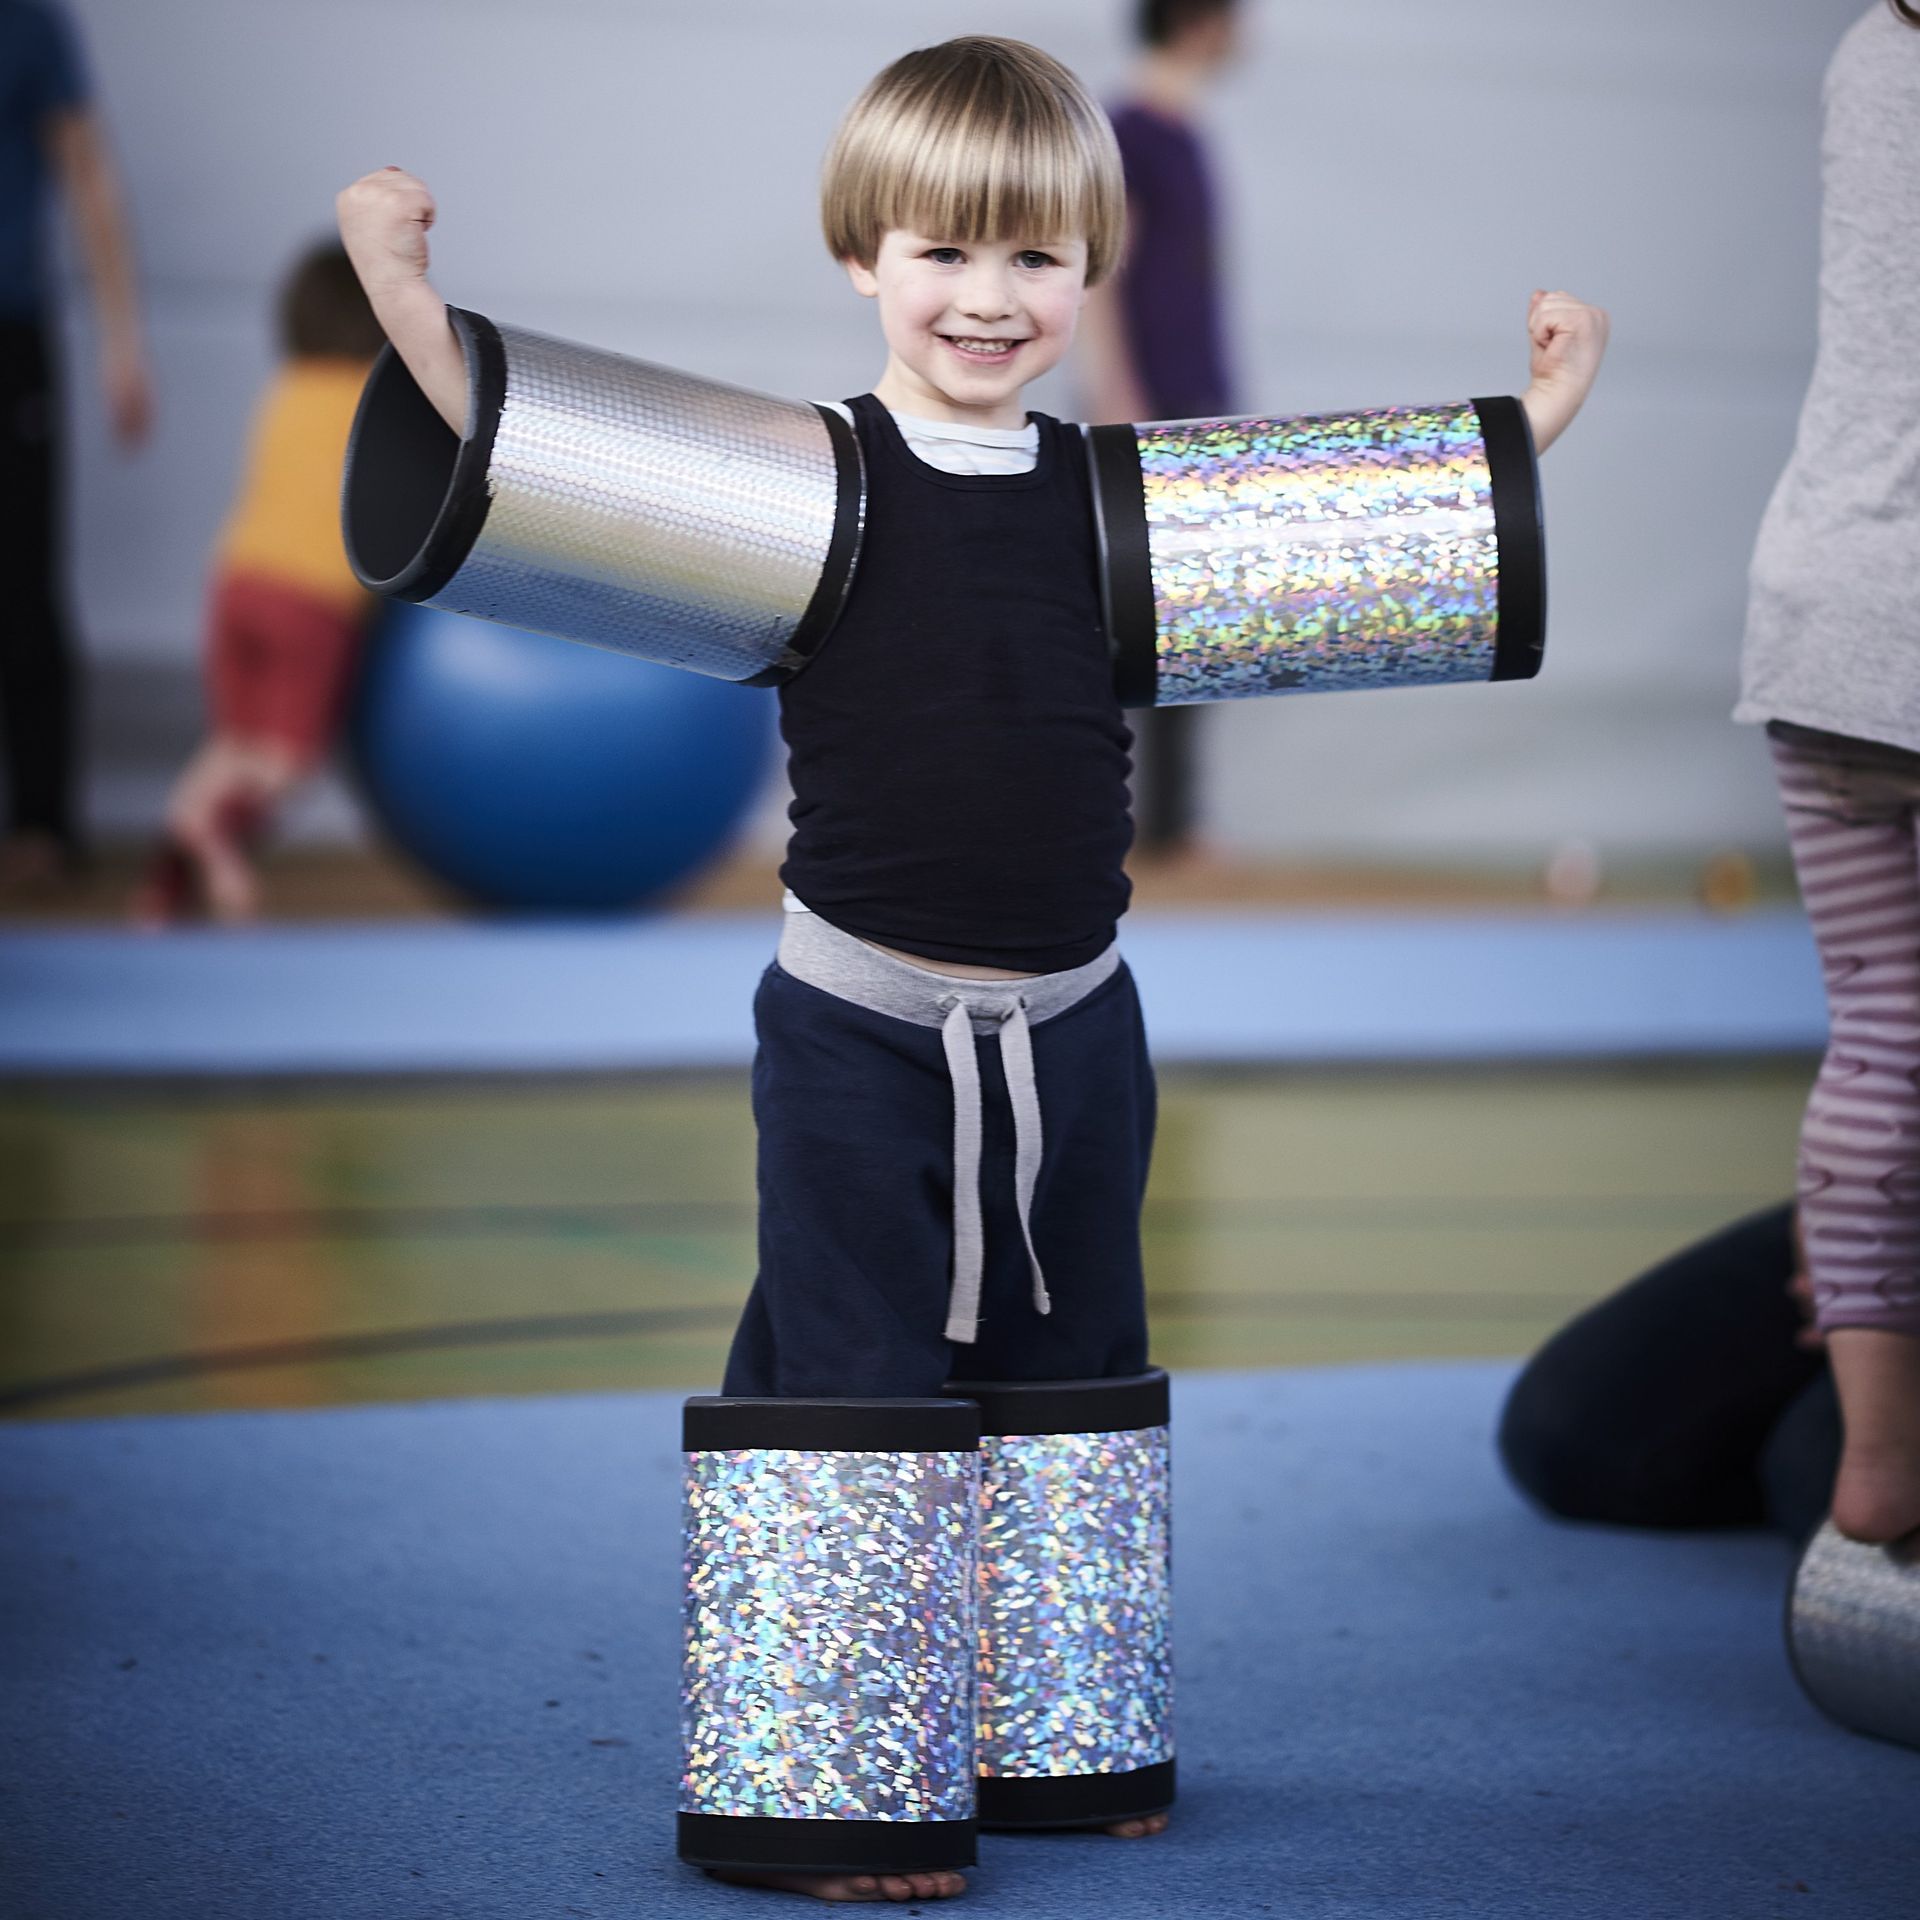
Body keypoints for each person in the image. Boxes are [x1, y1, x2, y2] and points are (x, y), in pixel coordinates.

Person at [337, 36, 1608, 1903]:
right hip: (857, 1020)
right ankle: (832, 1788)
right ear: (864, 254)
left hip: (1080, 1026)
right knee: (851, 1362)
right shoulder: (791, 485)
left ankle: (1062, 1746)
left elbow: (1394, 535)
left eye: (1036, 262)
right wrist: (398, 289)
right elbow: (520, 452)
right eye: (945, 254)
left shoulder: (1120, 506)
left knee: (1070, 1358)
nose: (989, 300)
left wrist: (1538, 418)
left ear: (1090, 275)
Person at [1504, 4, 1920, 1561]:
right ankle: (1874, 1411)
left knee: (1882, 1029)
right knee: (1590, 1429)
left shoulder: (1875, 46)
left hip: (1835, 605)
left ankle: (1875, 1436)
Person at [131, 244, 381, 926]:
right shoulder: (370, 397)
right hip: (311, 597)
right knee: (288, 760)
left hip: (238, 581)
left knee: (234, 744)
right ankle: (205, 834)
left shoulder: (288, 389)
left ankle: (165, 887)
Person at [1079, 0, 1242, 865]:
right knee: (1126, 614)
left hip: (1199, 400)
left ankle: (1175, 825)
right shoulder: (1131, 130)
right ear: (1197, 20)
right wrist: (1117, 393)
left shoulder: (1185, 127)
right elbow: (1102, 274)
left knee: (1196, 622)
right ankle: (1110, 819)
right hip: (1151, 407)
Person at [0, 0, 151, 894]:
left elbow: (85, 167)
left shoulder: (30, 23)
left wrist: (122, 339)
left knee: (22, 581)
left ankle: (43, 823)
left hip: (10, 335)